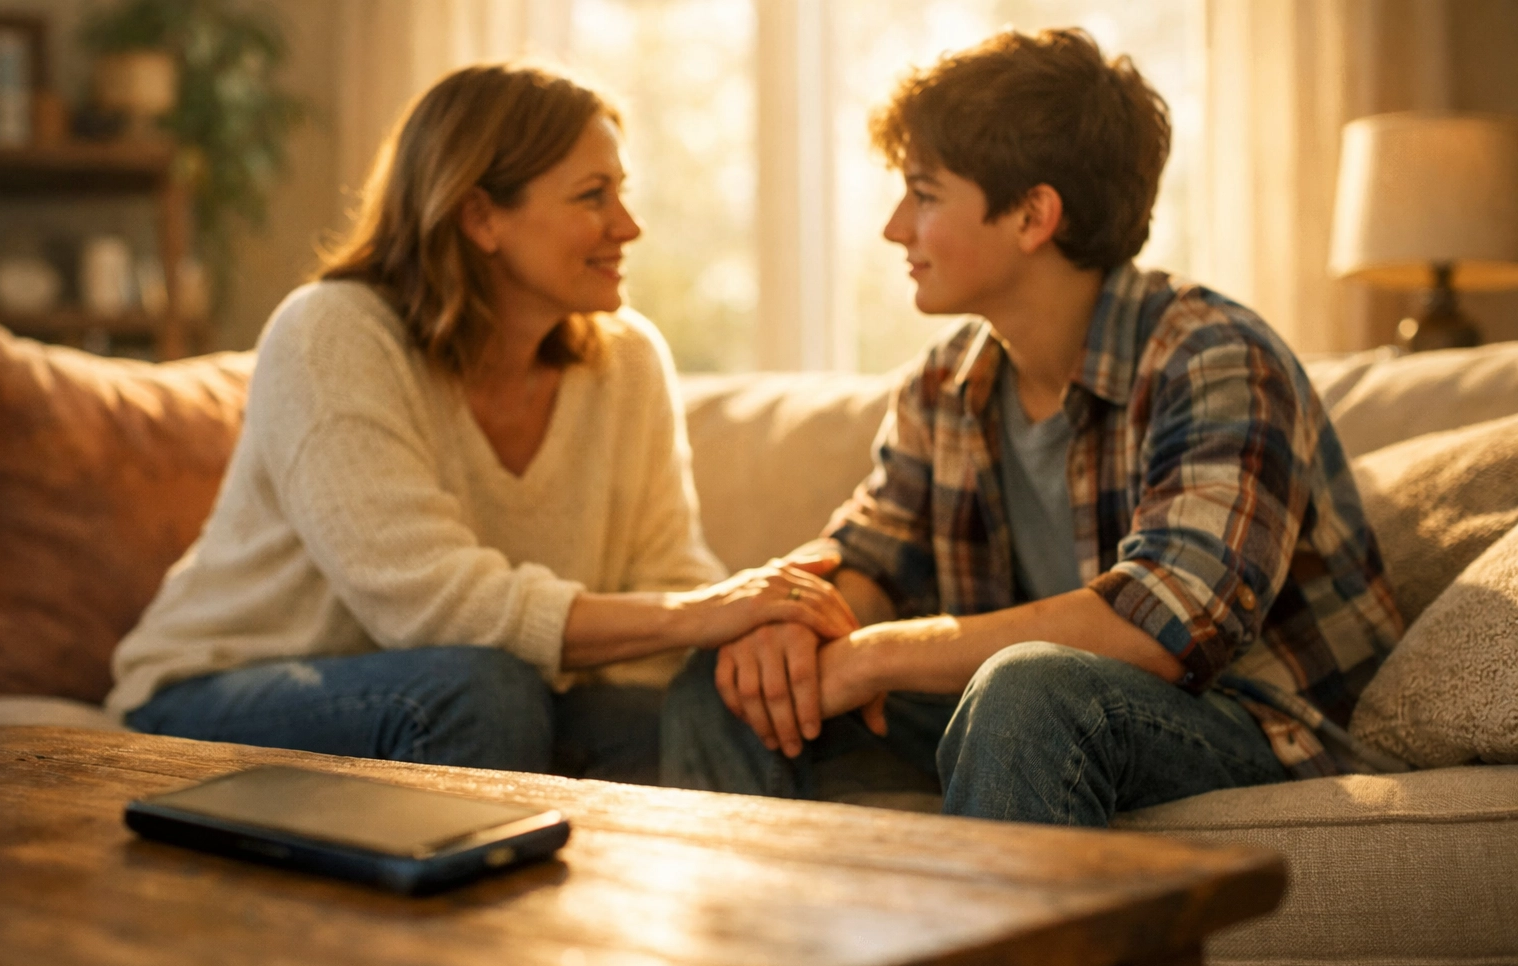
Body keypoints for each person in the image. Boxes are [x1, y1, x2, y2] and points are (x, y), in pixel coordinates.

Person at [662, 28, 1405, 823]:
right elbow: (873, 558)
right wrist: (789, 628)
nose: (893, 229)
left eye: (924, 194)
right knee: (729, 683)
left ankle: (1008, 952)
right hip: (1033, 708)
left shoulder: (1215, 359)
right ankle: (753, 948)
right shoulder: (947, 383)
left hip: (1246, 723)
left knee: (1027, 688)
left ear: (1032, 215)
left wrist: (874, 656)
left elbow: (1163, 626)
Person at [108, 63, 857, 782]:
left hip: (491, 687)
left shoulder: (627, 360)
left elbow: (668, 573)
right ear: (479, 216)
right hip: (219, 689)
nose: (627, 225)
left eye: (622, 192)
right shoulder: (329, 333)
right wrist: (702, 615)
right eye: (593, 196)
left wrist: (755, 639)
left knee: (723, 712)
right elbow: (430, 603)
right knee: (480, 690)